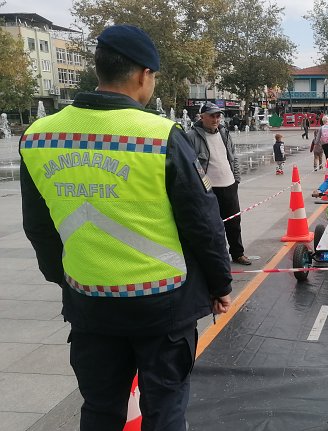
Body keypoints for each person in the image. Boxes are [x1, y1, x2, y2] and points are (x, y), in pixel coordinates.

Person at [19, 25, 233, 431]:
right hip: (162, 305)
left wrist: (63, 278)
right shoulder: (159, 135)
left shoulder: (37, 136)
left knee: (100, 409)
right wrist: (220, 285)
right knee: (164, 408)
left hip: (89, 302)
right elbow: (202, 223)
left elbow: (39, 227)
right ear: (142, 75)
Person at [187, 102, 251, 265]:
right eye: (212, 116)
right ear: (202, 117)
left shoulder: (224, 132)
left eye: (218, 115)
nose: (216, 119)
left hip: (229, 185)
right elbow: (190, 163)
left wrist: (236, 178)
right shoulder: (192, 136)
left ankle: (237, 253)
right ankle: (216, 257)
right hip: (209, 188)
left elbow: (233, 156)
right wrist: (200, 185)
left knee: (234, 223)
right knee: (212, 225)